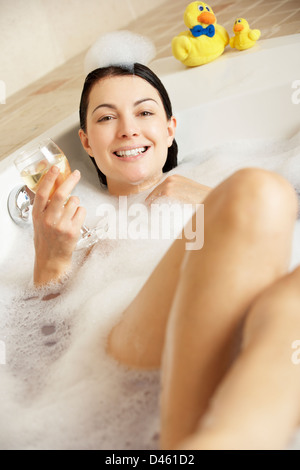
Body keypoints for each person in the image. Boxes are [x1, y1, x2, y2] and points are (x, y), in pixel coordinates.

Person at [32, 63, 300, 450]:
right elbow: (39, 361)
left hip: (254, 332)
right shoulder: (77, 226)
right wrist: (50, 263)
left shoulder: (221, 178)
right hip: (123, 340)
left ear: (170, 128)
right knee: (256, 192)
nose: (128, 129)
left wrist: (211, 197)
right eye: (107, 117)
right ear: (86, 142)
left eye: (144, 112)